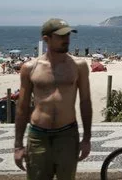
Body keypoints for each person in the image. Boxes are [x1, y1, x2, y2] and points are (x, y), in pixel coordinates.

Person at [14, 18, 92, 180]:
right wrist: (18, 145)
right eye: (61, 36)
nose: (67, 40)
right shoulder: (30, 68)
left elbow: (85, 102)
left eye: (68, 35)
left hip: (67, 135)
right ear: (46, 39)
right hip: (38, 137)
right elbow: (22, 107)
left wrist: (86, 139)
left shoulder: (79, 66)